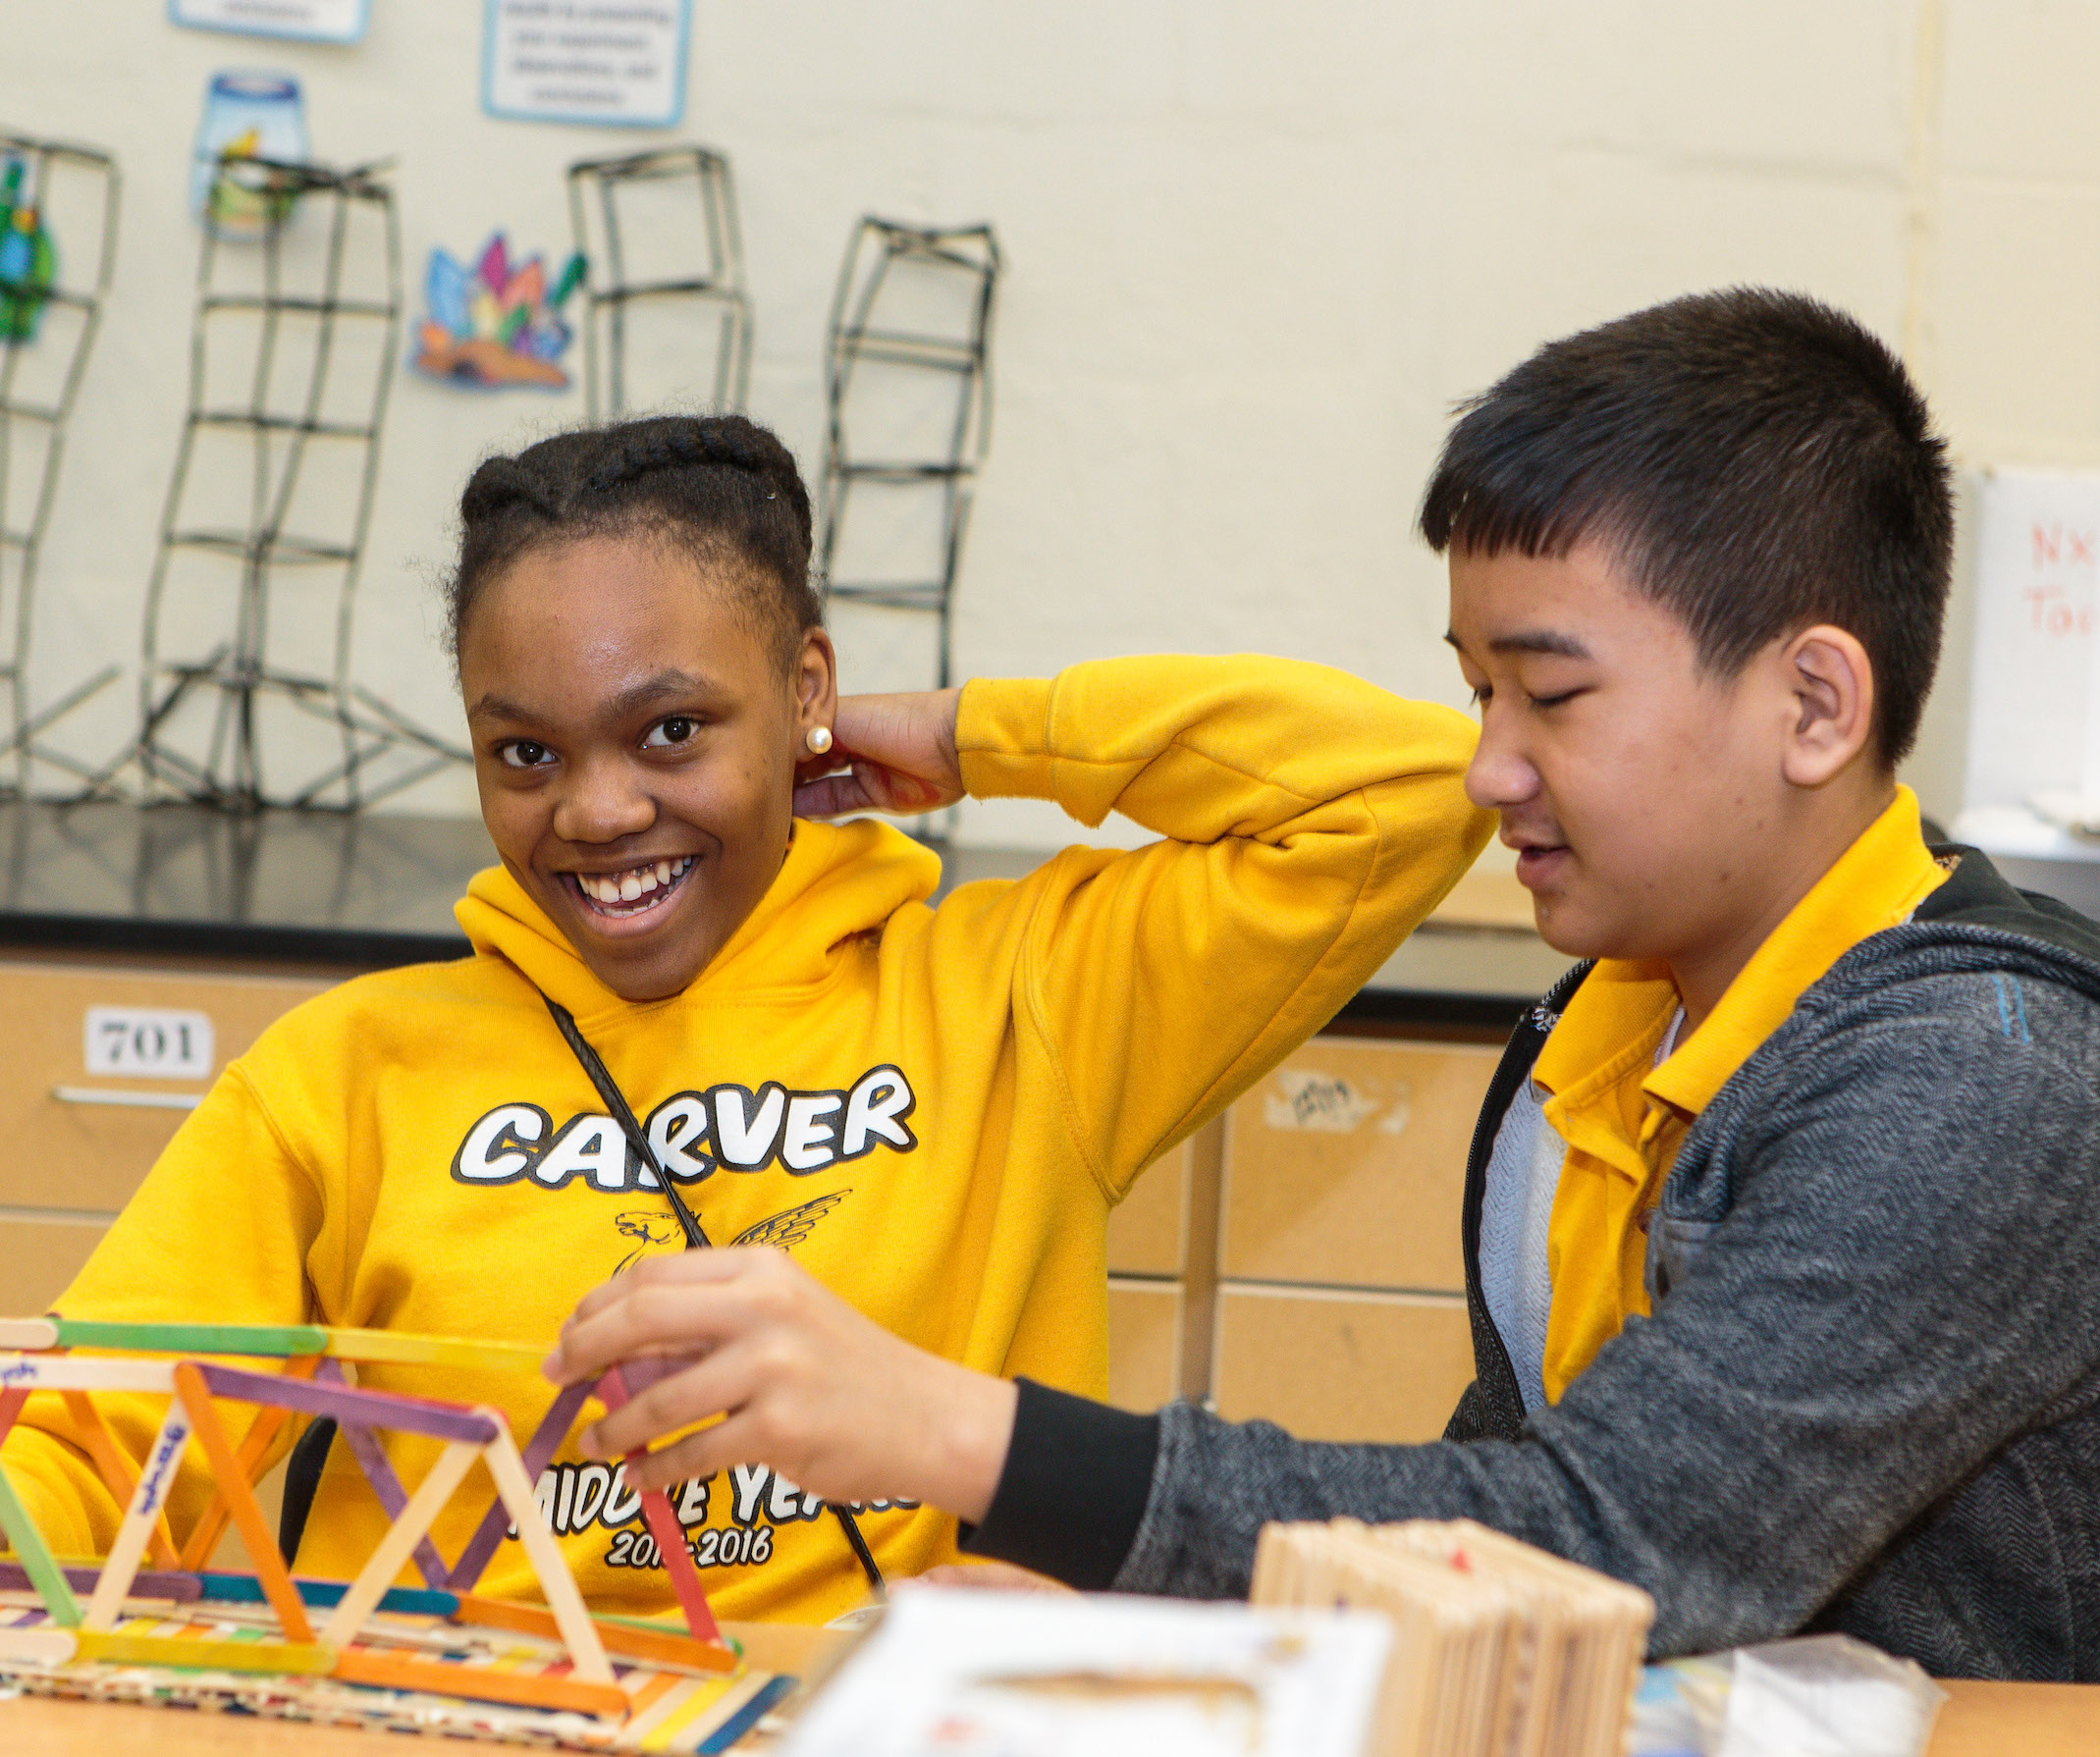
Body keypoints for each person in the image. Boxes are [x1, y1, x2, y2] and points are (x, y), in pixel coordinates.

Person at [548, 295, 2100, 1684]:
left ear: (1815, 707)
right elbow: (1504, 1482)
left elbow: (1597, 1540)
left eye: (1549, 696)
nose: (1483, 770)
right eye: (1474, 691)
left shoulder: (1982, 1090)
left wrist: (953, 1431)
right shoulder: (1605, 1021)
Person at [0, 414, 1490, 1625]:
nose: (594, 809)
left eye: (672, 729)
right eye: (522, 750)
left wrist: (968, 733)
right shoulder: (345, 1070)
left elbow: (1413, 787)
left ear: (805, 690)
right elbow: (90, 1436)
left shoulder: (1023, 998)